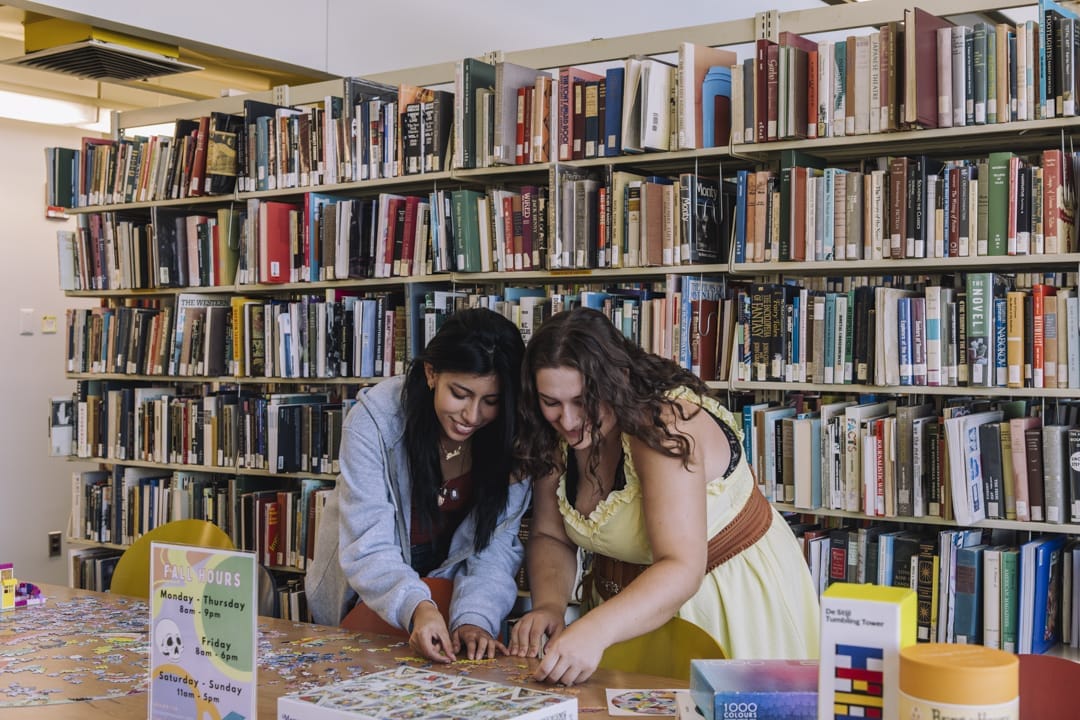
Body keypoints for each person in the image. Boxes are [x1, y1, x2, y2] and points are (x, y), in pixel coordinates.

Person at [509, 306, 819, 685]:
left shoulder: (661, 425)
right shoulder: (552, 431)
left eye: (583, 401)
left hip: (721, 601)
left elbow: (680, 567)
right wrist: (548, 605)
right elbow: (549, 535)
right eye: (551, 403)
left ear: (617, 380)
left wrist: (594, 630)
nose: (569, 421)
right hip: (626, 612)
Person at [307, 308, 529, 663]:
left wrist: (476, 618)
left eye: (491, 401)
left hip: (456, 603)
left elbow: (496, 548)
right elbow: (369, 543)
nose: (473, 416)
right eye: (460, 394)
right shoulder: (374, 420)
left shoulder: (512, 435)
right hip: (368, 596)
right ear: (431, 374)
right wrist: (417, 606)